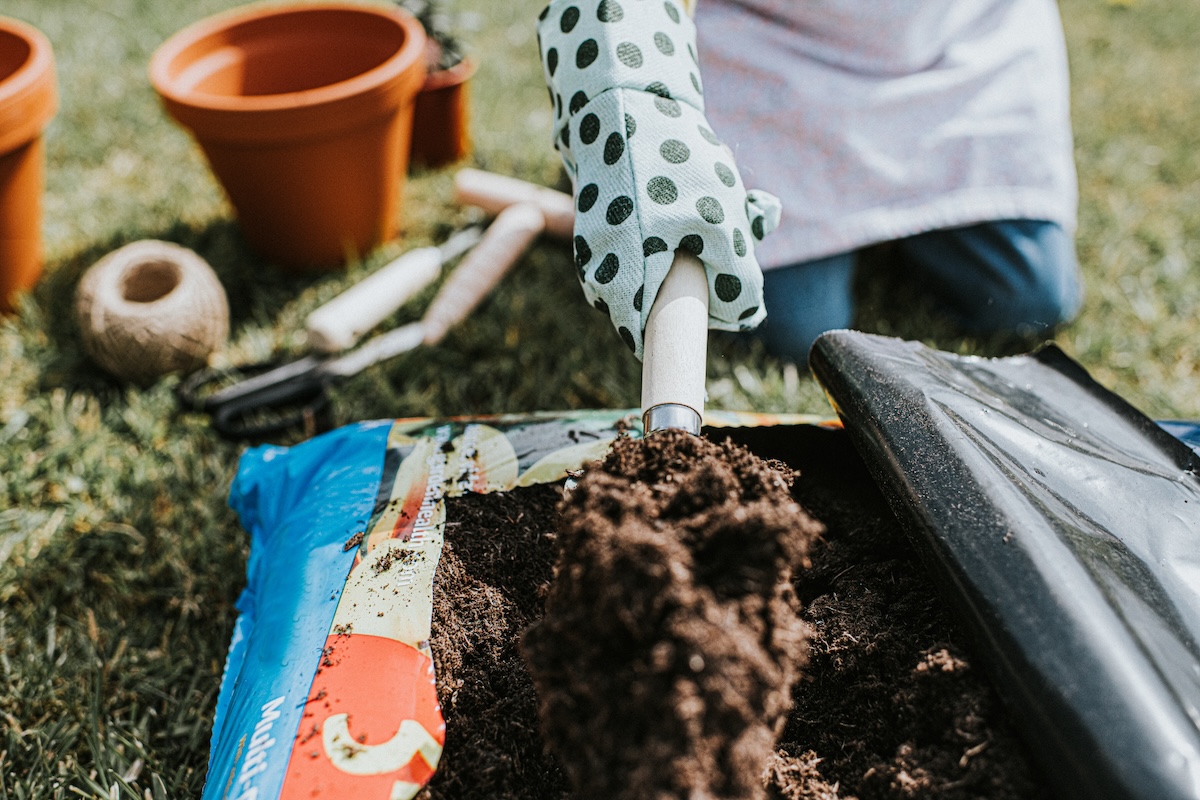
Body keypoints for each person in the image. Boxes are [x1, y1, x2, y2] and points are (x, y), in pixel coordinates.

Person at [536, 0, 1081, 364]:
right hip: (766, 42)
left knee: (1028, 299)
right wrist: (635, 105)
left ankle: (884, 215)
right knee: (801, 331)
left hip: (950, 40)